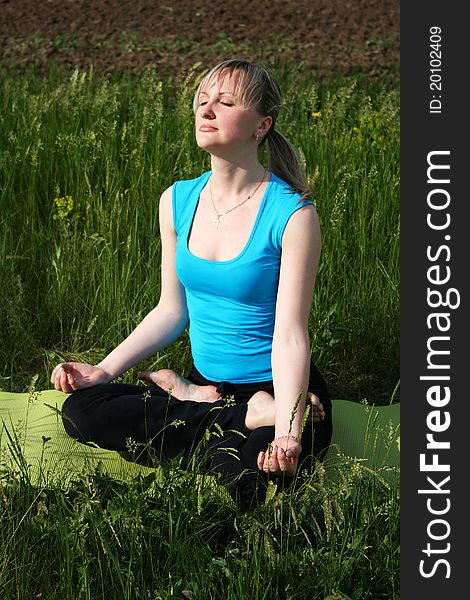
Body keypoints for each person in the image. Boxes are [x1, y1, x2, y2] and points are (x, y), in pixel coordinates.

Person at [51, 59, 332, 509]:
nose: (206, 109)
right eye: (202, 100)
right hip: (215, 381)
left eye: (225, 101)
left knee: (251, 479)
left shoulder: (294, 214)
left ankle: (205, 407)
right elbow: (171, 310)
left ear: (262, 124)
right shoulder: (177, 200)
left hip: (281, 386)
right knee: (81, 412)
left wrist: (288, 429)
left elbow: (290, 333)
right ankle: (228, 410)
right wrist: (102, 371)